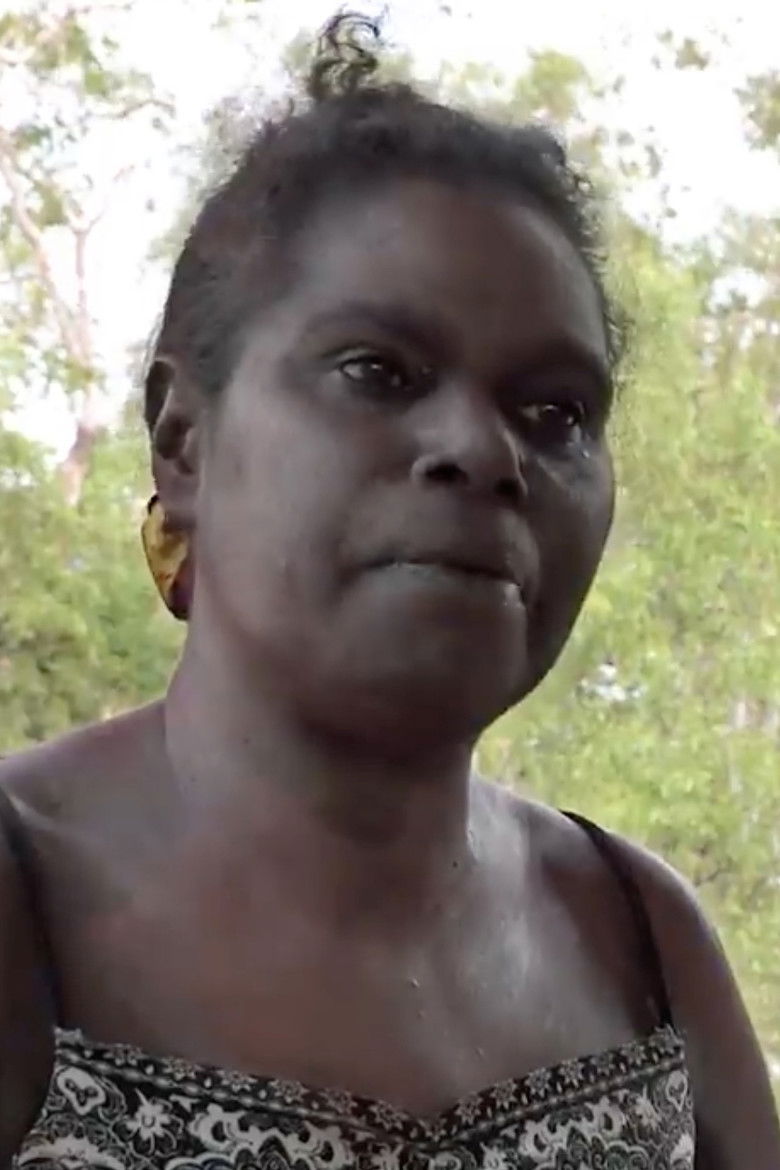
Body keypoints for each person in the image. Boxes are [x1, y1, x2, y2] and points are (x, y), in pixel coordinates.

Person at [0, 13, 777, 1169]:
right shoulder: (28, 898)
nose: (486, 451)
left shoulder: (643, 937)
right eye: (378, 371)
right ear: (183, 442)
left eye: (556, 411)